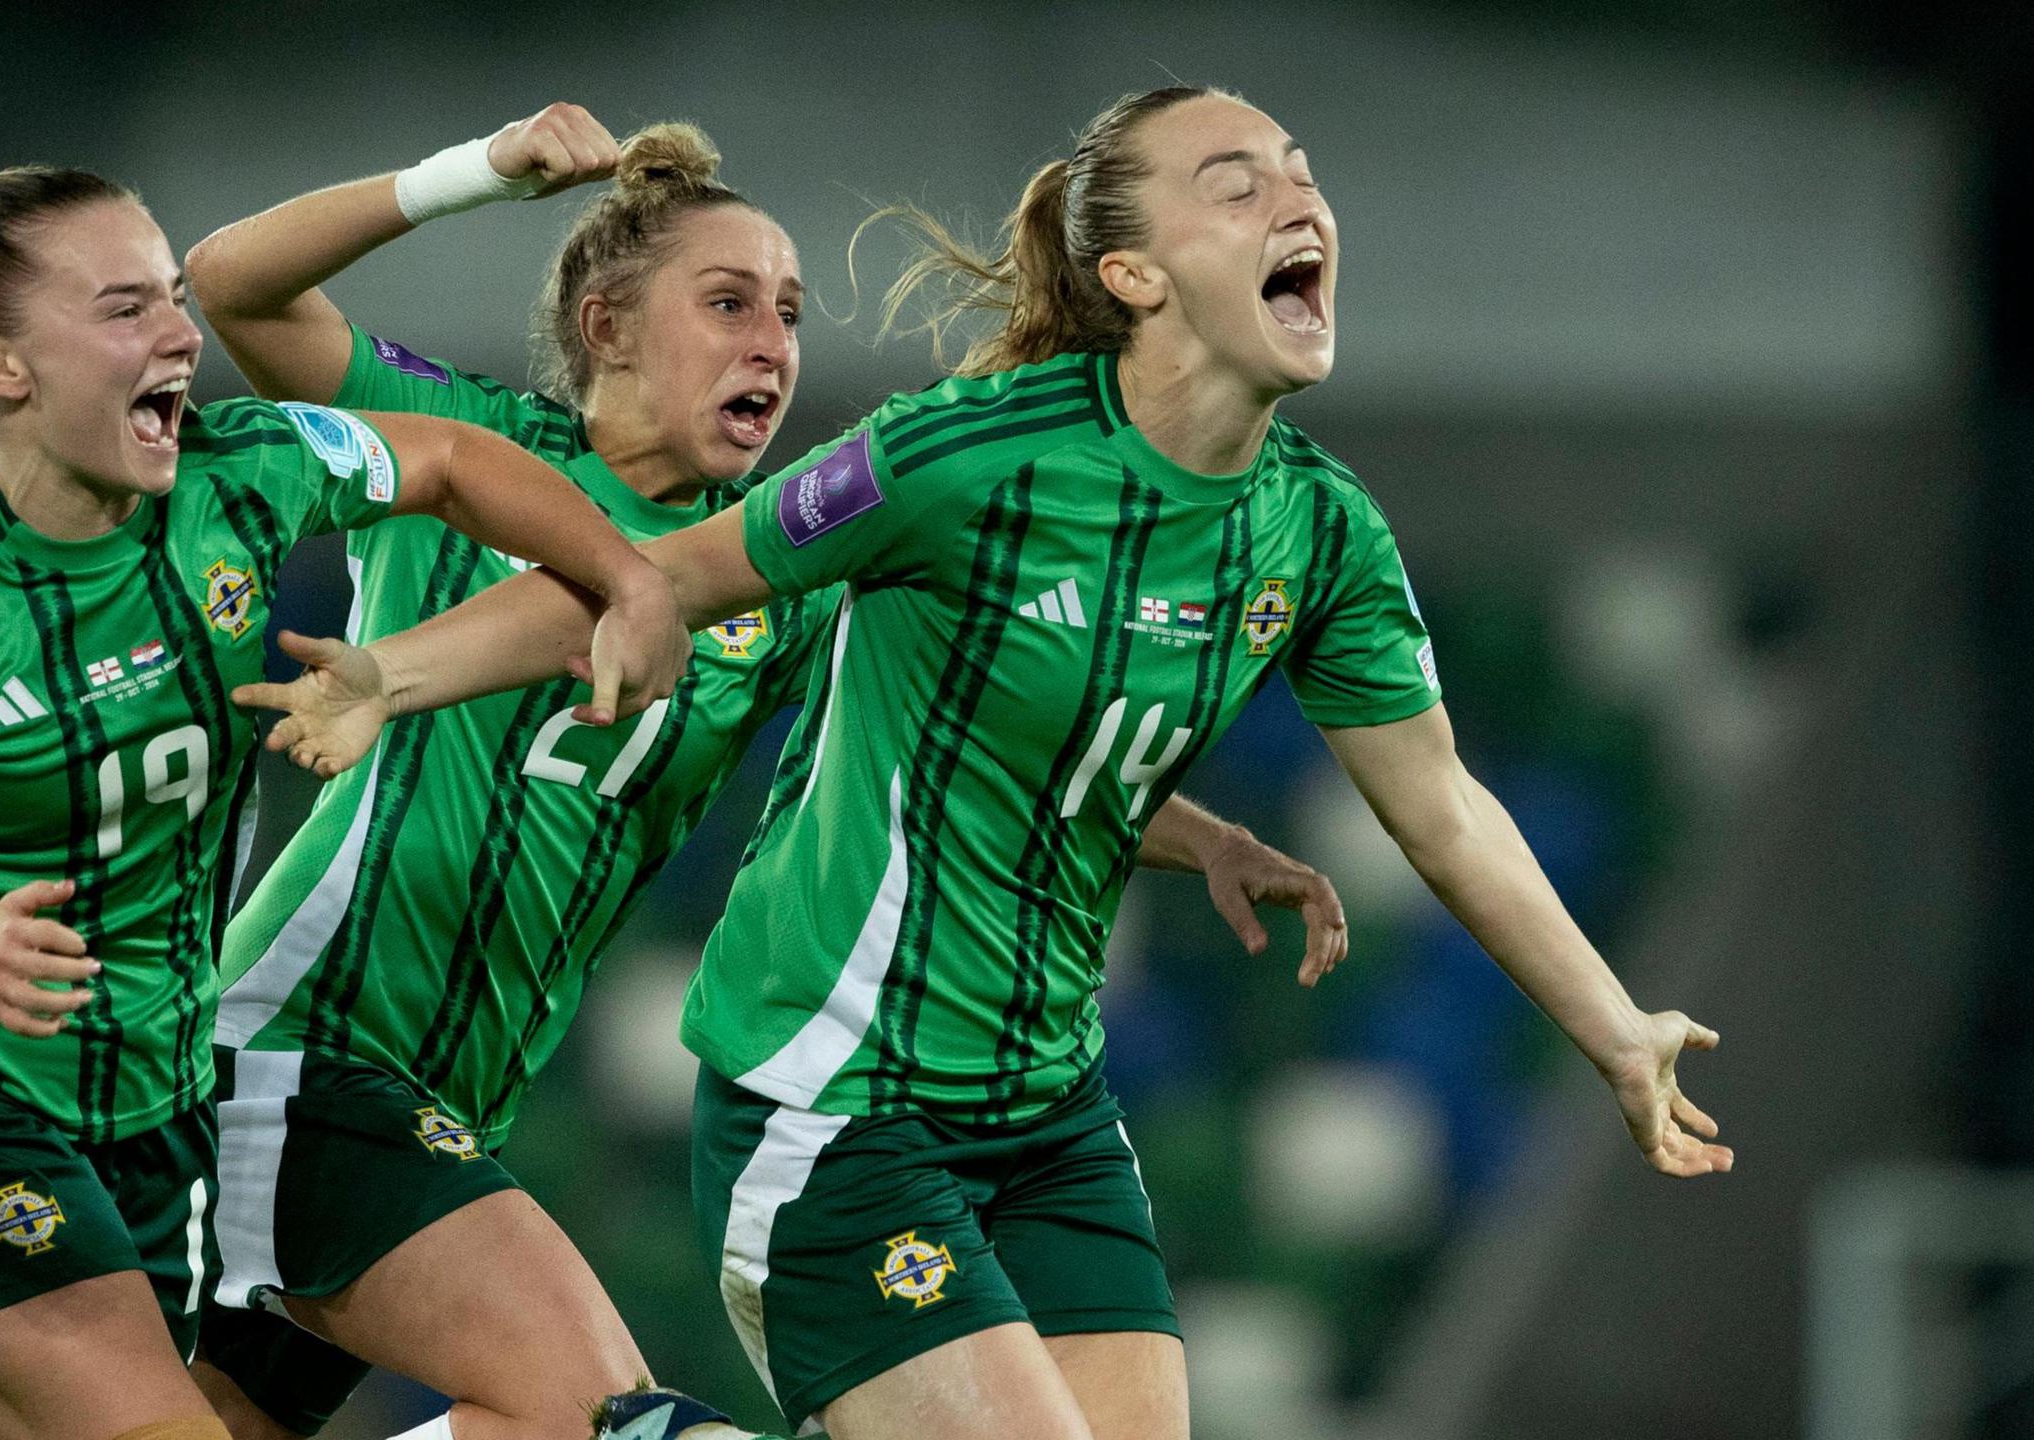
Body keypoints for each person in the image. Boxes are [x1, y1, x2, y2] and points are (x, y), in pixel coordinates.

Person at [241, 86, 1734, 1440]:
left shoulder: (1297, 528)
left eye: (791, 310)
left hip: (986, 1102)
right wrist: (393, 667)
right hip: (656, 1077)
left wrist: (1594, 1021)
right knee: (590, 1419)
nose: (772, 337)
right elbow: (630, 572)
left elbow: (1006, 735)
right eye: (728, 301)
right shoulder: (531, 445)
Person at [0, 165, 684, 1440]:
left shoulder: (242, 480)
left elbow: (444, 459)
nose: (179, 334)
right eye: (125, 310)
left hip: (150, 1113)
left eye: (173, 296)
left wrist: (627, 579)